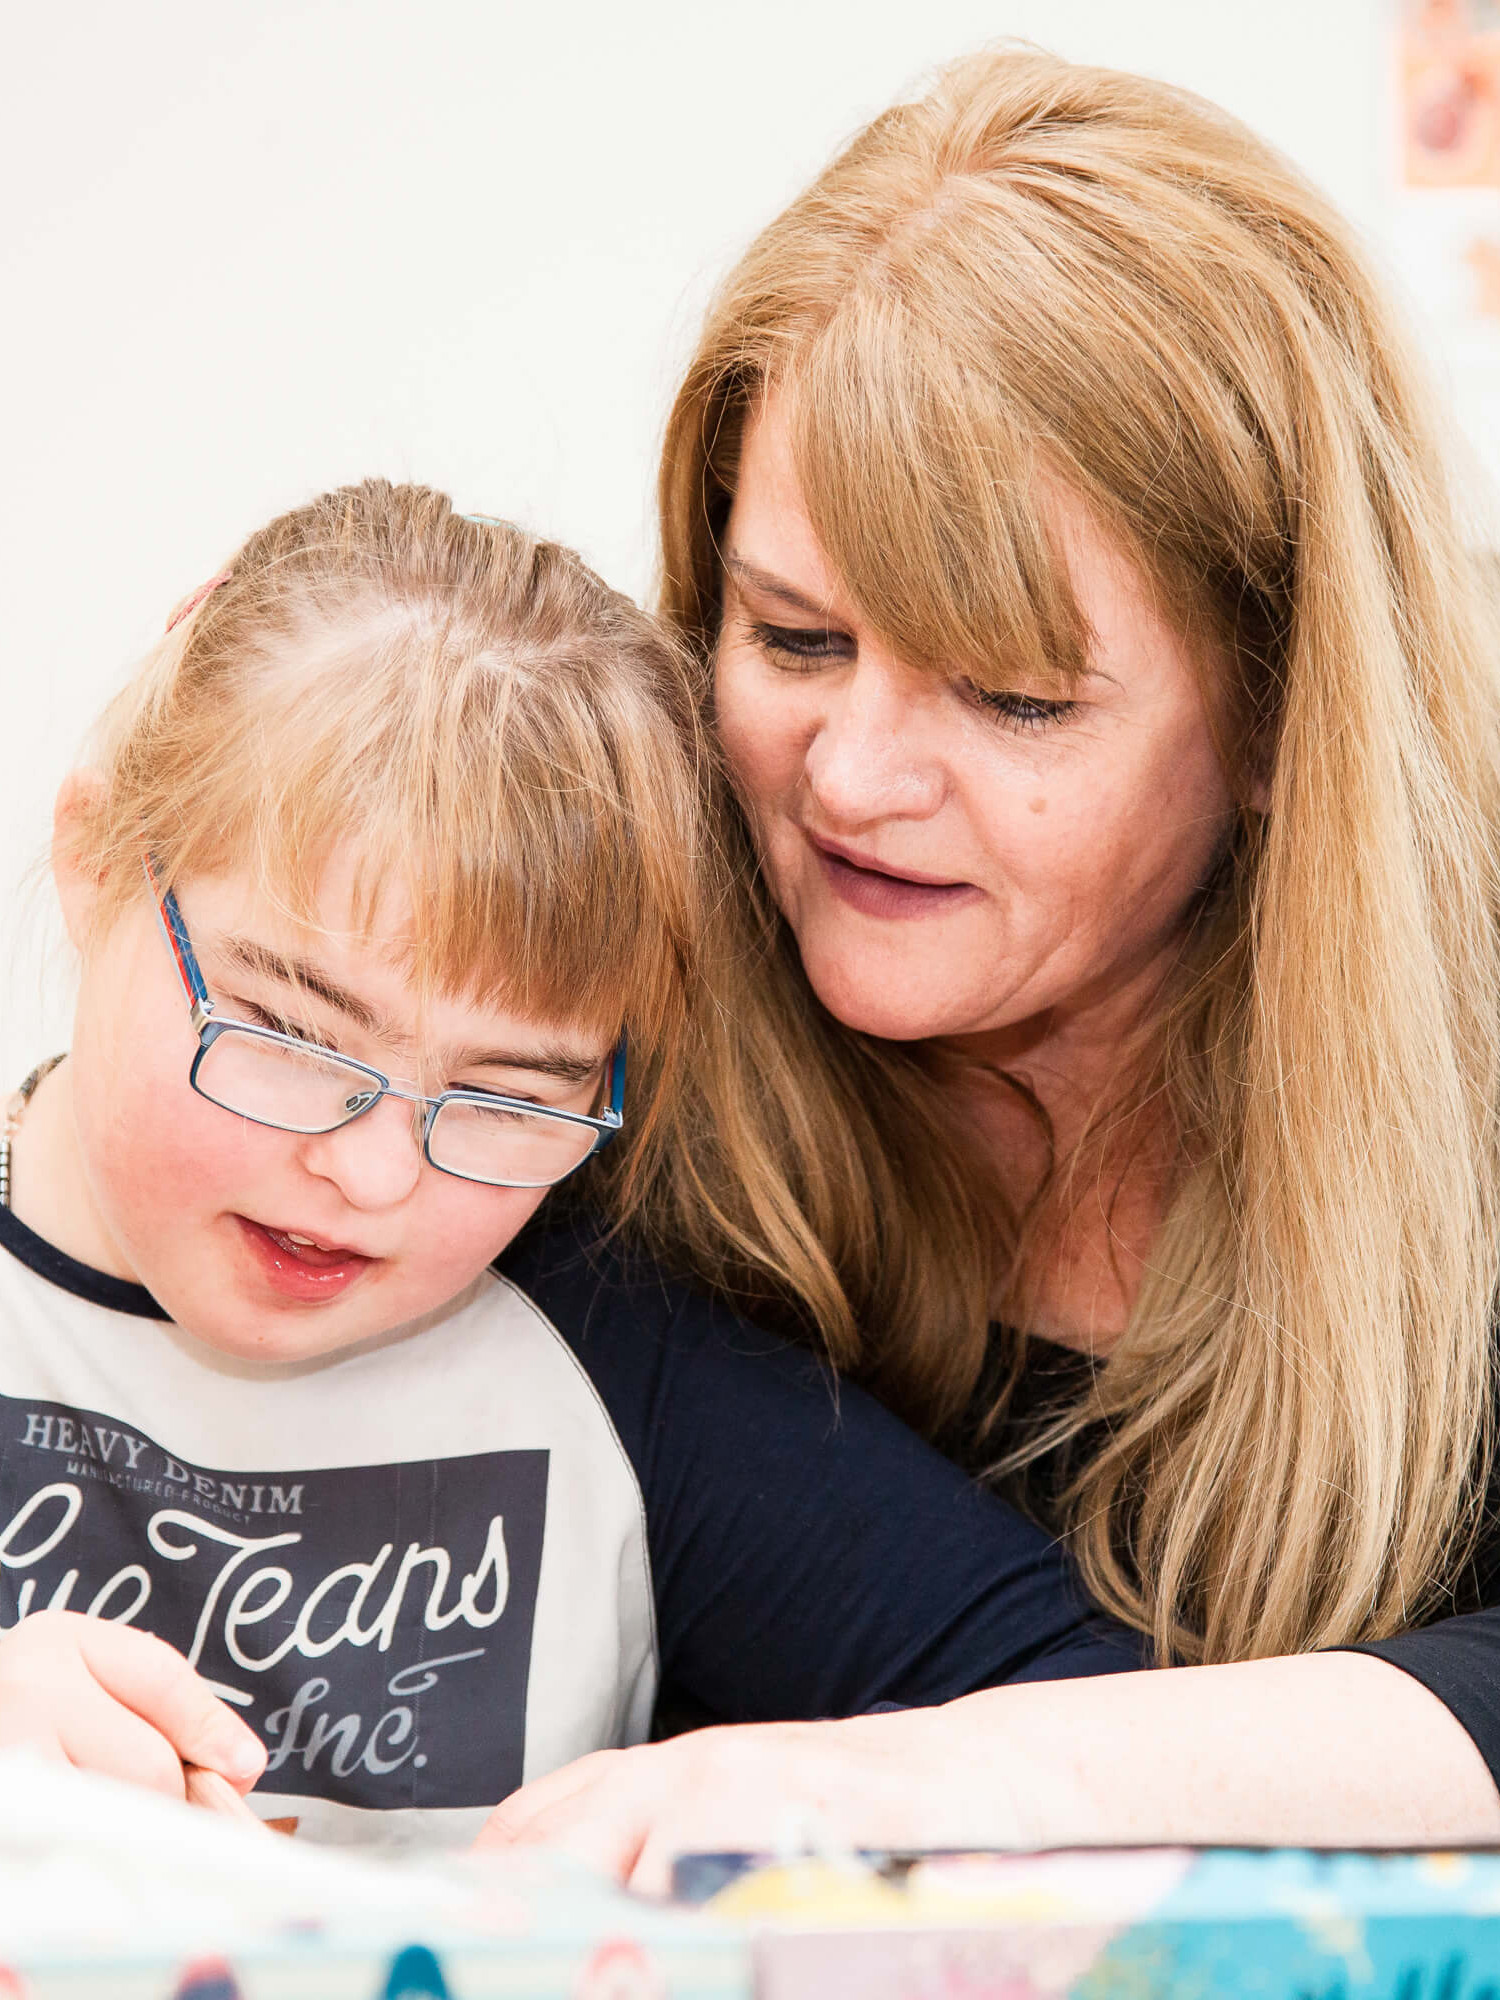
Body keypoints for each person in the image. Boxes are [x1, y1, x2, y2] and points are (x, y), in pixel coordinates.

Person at [481, 47, 1500, 1883]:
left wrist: (963, 1777)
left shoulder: (1469, 1095)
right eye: (792, 637)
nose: (854, 781)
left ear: (1281, 714)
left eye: (1015, 693)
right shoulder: (570, 1021)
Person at [0, 479, 1142, 1851]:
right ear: (93, 861)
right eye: (295, 1034)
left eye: (507, 1097)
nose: (372, 1175)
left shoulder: (616, 1359)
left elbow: (1105, 1725)